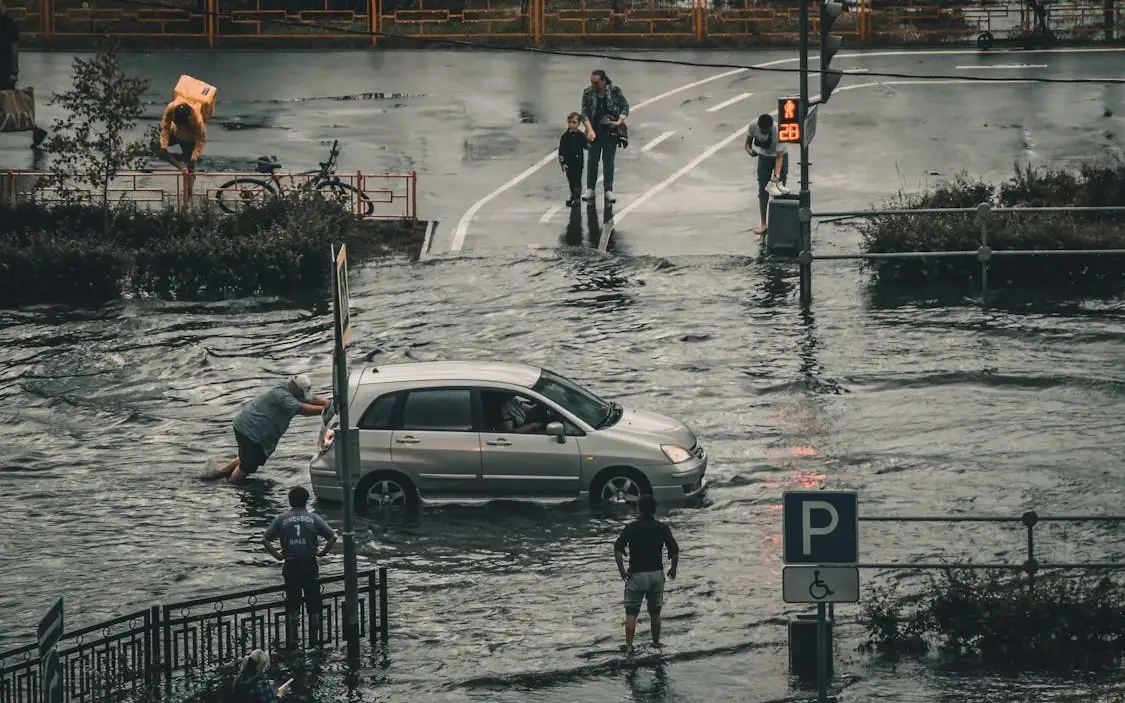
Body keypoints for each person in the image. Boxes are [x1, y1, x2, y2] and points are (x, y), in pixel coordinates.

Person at [217, 374, 329, 483]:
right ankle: (232, 484)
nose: (303, 396)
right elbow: (302, 409)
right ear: (295, 387)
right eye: (302, 393)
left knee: (247, 456)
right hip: (251, 430)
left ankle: (222, 472)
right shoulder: (282, 396)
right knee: (248, 465)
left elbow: (309, 398)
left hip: (245, 425)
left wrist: (326, 402)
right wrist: (324, 410)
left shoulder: (289, 388)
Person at [263, 486, 337, 649]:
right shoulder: (313, 518)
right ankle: (314, 642)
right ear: (306, 500)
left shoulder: (281, 519)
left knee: (292, 605)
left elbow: (266, 539)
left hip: (291, 564)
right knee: (313, 606)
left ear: (290, 500)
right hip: (310, 564)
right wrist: (323, 552)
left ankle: (293, 642)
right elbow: (332, 537)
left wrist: (277, 555)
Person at [613, 494, 679, 656]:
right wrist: (673, 569)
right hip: (656, 575)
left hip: (637, 575)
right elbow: (675, 551)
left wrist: (621, 570)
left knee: (631, 613)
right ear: (654, 510)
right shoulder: (662, 528)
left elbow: (617, 549)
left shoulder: (631, 528)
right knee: (655, 613)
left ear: (638, 509)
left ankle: (629, 647)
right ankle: (656, 644)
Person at [0, 2, 47, 149]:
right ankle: (35, 129)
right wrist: (14, 70)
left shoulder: (8, 24)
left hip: (4, 69)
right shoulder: (11, 24)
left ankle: (35, 129)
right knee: (11, 104)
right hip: (5, 69)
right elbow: (14, 50)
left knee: (7, 106)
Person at [580, 69, 629, 205]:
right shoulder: (588, 93)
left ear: (603, 81)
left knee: (608, 161)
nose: (593, 85)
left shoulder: (614, 91)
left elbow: (625, 106)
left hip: (610, 132)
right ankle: (590, 189)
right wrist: (589, 130)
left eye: (596, 82)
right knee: (592, 161)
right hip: (594, 130)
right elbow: (584, 113)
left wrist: (619, 121)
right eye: (592, 82)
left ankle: (608, 189)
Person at [744, 113, 790, 234]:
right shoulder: (753, 126)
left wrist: (776, 176)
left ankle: (779, 223)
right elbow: (747, 143)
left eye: (767, 131)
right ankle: (764, 223)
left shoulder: (778, 131)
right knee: (763, 190)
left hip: (780, 156)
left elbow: (779, 157)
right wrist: (750, 151)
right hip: (763, 157)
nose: (765, 133)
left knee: (779, 190)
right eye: (763, 131)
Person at [158, 101, 206, 199]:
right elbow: (165, 126)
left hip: (189, 139)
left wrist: (194, 157)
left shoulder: (197, 121)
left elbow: (200, 141)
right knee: (157, 147)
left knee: (190, 168)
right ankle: (180, 165)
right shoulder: (171, 108)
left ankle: (188, 195)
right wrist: (164, 145)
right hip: (174, 132)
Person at [558, 111, 588, 207]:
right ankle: (573, 196)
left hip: (578, 162)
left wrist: (589, 140)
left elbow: (586, 145)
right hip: (569, 162)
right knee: (571, 179)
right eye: (569, 122)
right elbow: (561, 151)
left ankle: (576, 197)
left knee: (577, 179)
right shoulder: (565, 137)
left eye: (574, 122)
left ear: (579, 124)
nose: (571, 124)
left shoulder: (581, 135)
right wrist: (562, 163)